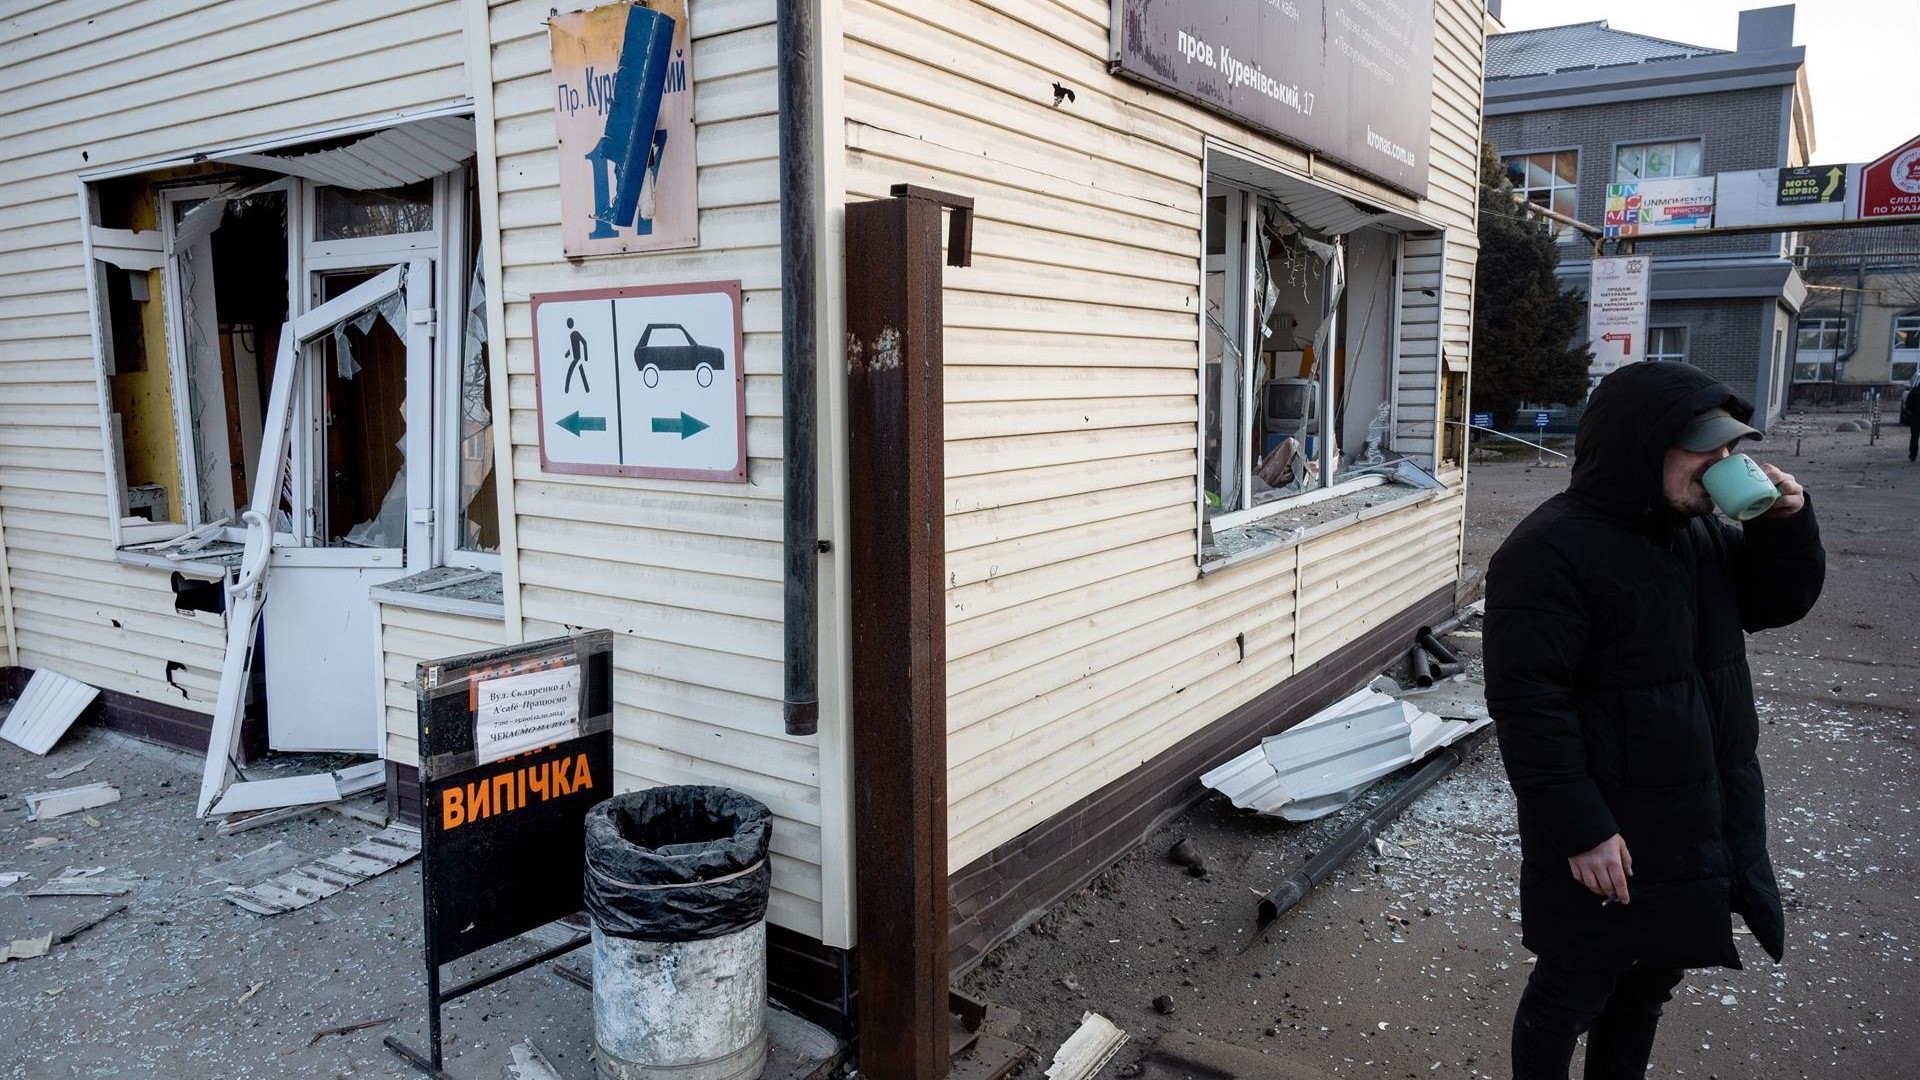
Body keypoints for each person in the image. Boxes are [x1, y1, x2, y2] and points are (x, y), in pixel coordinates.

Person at [1484, 363, 1826, 1080]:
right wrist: (1581, 829)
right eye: (1704, 448)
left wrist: (1784, 527)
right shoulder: (1547, 552)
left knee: (1647, 988)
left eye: (1730, 450)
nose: (1723, 465)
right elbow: (1528, 707)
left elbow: (1772, 603)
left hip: (1693, 813)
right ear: (1641, 448)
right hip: (1608, 824)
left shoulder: (1696, 531)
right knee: (1572, 989)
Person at [1902, 373, 1919, 463]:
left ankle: (1913, 454)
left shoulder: (1915, 391)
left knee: (1914, 436)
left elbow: (1908, 404)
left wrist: (1912, 412)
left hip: (1916, 417)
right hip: (1916, 416)